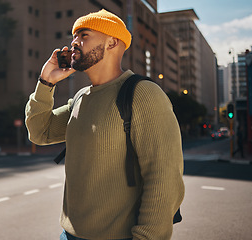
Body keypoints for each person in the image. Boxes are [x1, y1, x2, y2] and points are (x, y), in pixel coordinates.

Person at [25, 9, 184, 240]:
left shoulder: (143, 94)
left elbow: (164, 178)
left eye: (84, 35)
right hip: (68, 235)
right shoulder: (80, 98)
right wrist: (45, 82)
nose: (74, 42)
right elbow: (39, 132)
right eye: (74, 36)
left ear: (112, 42)